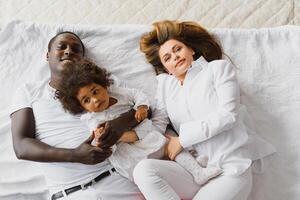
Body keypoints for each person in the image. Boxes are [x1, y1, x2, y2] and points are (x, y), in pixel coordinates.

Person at [134, 20, 276, 200]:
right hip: (196, 172)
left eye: (177, 49)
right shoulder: (166, 87)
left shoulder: (217, 69)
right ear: (166, 69)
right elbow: (160, 123)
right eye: (167, 58)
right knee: (144, 170)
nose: (175, 57)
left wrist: (182, 140)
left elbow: (228, 115)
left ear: (191, 50)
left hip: (229, 170)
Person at [10, 31, 145, 200]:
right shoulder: (29, 92)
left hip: (118, 180)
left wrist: (119, 124)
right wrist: (75, 155)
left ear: (83, 60)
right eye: (61, 47)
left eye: (76, 49)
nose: (68, 51)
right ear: (47, 55)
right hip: (70, 192)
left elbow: (146, 108)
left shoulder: (102, 83)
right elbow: (21, 146)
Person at [56, 59, 222, 184]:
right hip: (131, 154)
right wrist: (101, 138)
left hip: (146, 134)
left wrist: (142, 107)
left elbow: (138, 95)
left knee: (170, 144)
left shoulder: (120, 94)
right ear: (81, 106)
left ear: (104, 85)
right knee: (161, 156)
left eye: (95, 91)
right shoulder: (92, 119)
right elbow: (103, 141)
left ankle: (196, 170)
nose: (95, 100)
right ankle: (192, 168)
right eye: (86, 100)